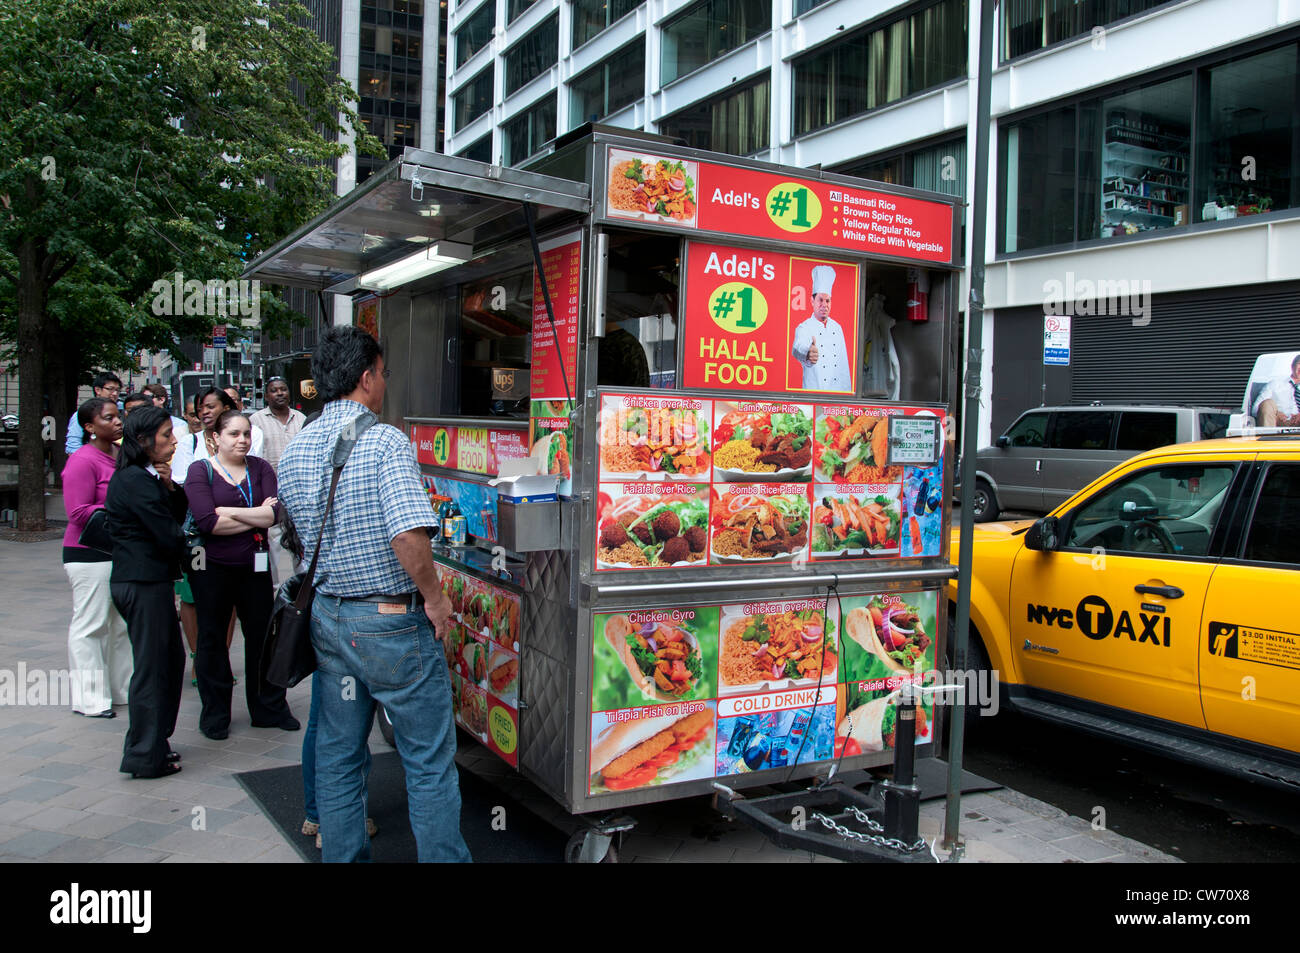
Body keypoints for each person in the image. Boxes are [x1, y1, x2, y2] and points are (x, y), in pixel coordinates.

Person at [278, 326, 466, 863]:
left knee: (339, 757)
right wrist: (435, 598)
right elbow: (407, 536)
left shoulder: (295, 449)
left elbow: (296, 537)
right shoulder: (385, 442)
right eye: (382, 373)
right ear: (365, 378)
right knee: (427, 761)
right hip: (391, 625)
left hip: (329, 619)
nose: (385, 382)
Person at [184, 409, 296, 740]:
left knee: (263, 638)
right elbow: (208, 523)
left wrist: (230, 511)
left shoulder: (260, 468)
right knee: (212, 639)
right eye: (234, 434)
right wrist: (254, 514)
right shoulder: (200, 471)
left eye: (246, 433)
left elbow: (274, 515)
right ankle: (215, 714)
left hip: (254, 567)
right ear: (216, 437)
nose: (242, 440)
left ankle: (268, 708)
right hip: (210, 569)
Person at [105, 406, 187, 779]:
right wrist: (191, 549)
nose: (173, 441)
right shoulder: (133, 480)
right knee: (152, 670)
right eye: (166, 435)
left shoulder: (147, 477)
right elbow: (168, 533)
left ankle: (155, 743)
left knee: (169, 661)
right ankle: (143, 754)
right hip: (141, 583)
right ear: (143, 440)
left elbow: (174, 515)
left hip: (150, 582)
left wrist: (169, 487)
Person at [61, 398, 132, 718]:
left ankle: (121, 690)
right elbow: (77, 512)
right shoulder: (82, 460)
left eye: (118, 416)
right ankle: (90, 699)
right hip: (88, 553)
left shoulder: (120, 454)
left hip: (119, 550)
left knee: (120, 625)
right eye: (109, 418)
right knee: (91, 625)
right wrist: (123, 509)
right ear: (90, 427)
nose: (117, 422)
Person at [250, 377, 306, 586]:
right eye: (274, 390)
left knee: (300, 538)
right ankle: (275, 589)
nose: (280, 393)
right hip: (270, 491)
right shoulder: (256, 421)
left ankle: (302, 587)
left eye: (283, 389)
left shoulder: (301, 419)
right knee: (273, 540)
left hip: (299, 490)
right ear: (266, 396)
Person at [791, 265, 852, 392]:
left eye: (827, 301)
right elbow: (797, 348)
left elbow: (843, 366)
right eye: (820, 300)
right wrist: (807, 352)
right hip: (814, 393)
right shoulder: (805, 327)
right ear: (812, 301)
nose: (824, 305)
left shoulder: (837, 328)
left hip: (837, 394)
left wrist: (848, 395)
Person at [195, 387, 264, 461]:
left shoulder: (252, 432)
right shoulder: (190, 442)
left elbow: (252, 463)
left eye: (211, 407)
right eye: (199, 410)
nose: (204, 412)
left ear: (226, 408)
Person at [144, 384, 192, 483]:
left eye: (148, 397)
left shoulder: (180, 425)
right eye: (167, 435)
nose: (174, 440)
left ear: (162, 399)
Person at [65, 372, 122, 455]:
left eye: (117, 390)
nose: (115, 393)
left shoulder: (121, 411)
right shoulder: (83, 414)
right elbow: (73, 447)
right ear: (97, 390)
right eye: (111, 389)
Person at [1255, 353, 1300, 427]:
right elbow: (1255, 408)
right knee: (1267, 403)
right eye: (1299, 363)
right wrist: (1276, 413)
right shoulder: (1275, 384)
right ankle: (1269, 434)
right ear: (1292, 366)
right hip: (1280, 422)